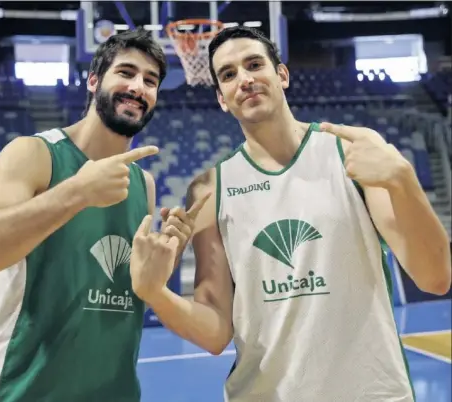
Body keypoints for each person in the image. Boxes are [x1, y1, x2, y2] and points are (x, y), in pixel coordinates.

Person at [129, 26, 452, 402]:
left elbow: (435, 278)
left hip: (372, 393)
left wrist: (403, 179)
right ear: (221, 98)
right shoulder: (209, 189)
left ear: (281, 75)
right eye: (229, 74)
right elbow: (215, 333)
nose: (245, 79)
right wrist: (154, 292)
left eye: (254, 65)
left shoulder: (351, 153)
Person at [0, 28, 195, 402]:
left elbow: (119, 294)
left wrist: (162, 263)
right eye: (126, 73)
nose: (139, 87)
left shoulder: (143, 185)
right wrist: (76, 192)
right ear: (94, 81)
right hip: (23, 392)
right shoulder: (34, 155)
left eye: (150, 80)